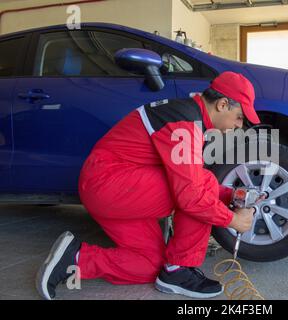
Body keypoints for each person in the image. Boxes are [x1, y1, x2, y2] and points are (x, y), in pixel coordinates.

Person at [36, 71, 261, 300]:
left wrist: (232, 195)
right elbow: (191, 193)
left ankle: (74, 259)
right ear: (223, 104)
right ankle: (179, 270)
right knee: (202, 185)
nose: (239, 126)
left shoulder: (188, 117)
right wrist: (232, 220)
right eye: (239, 118)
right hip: (109, 184)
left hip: (117, 192)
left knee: (150, 265)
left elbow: (184, 176)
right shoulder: (184, 122)